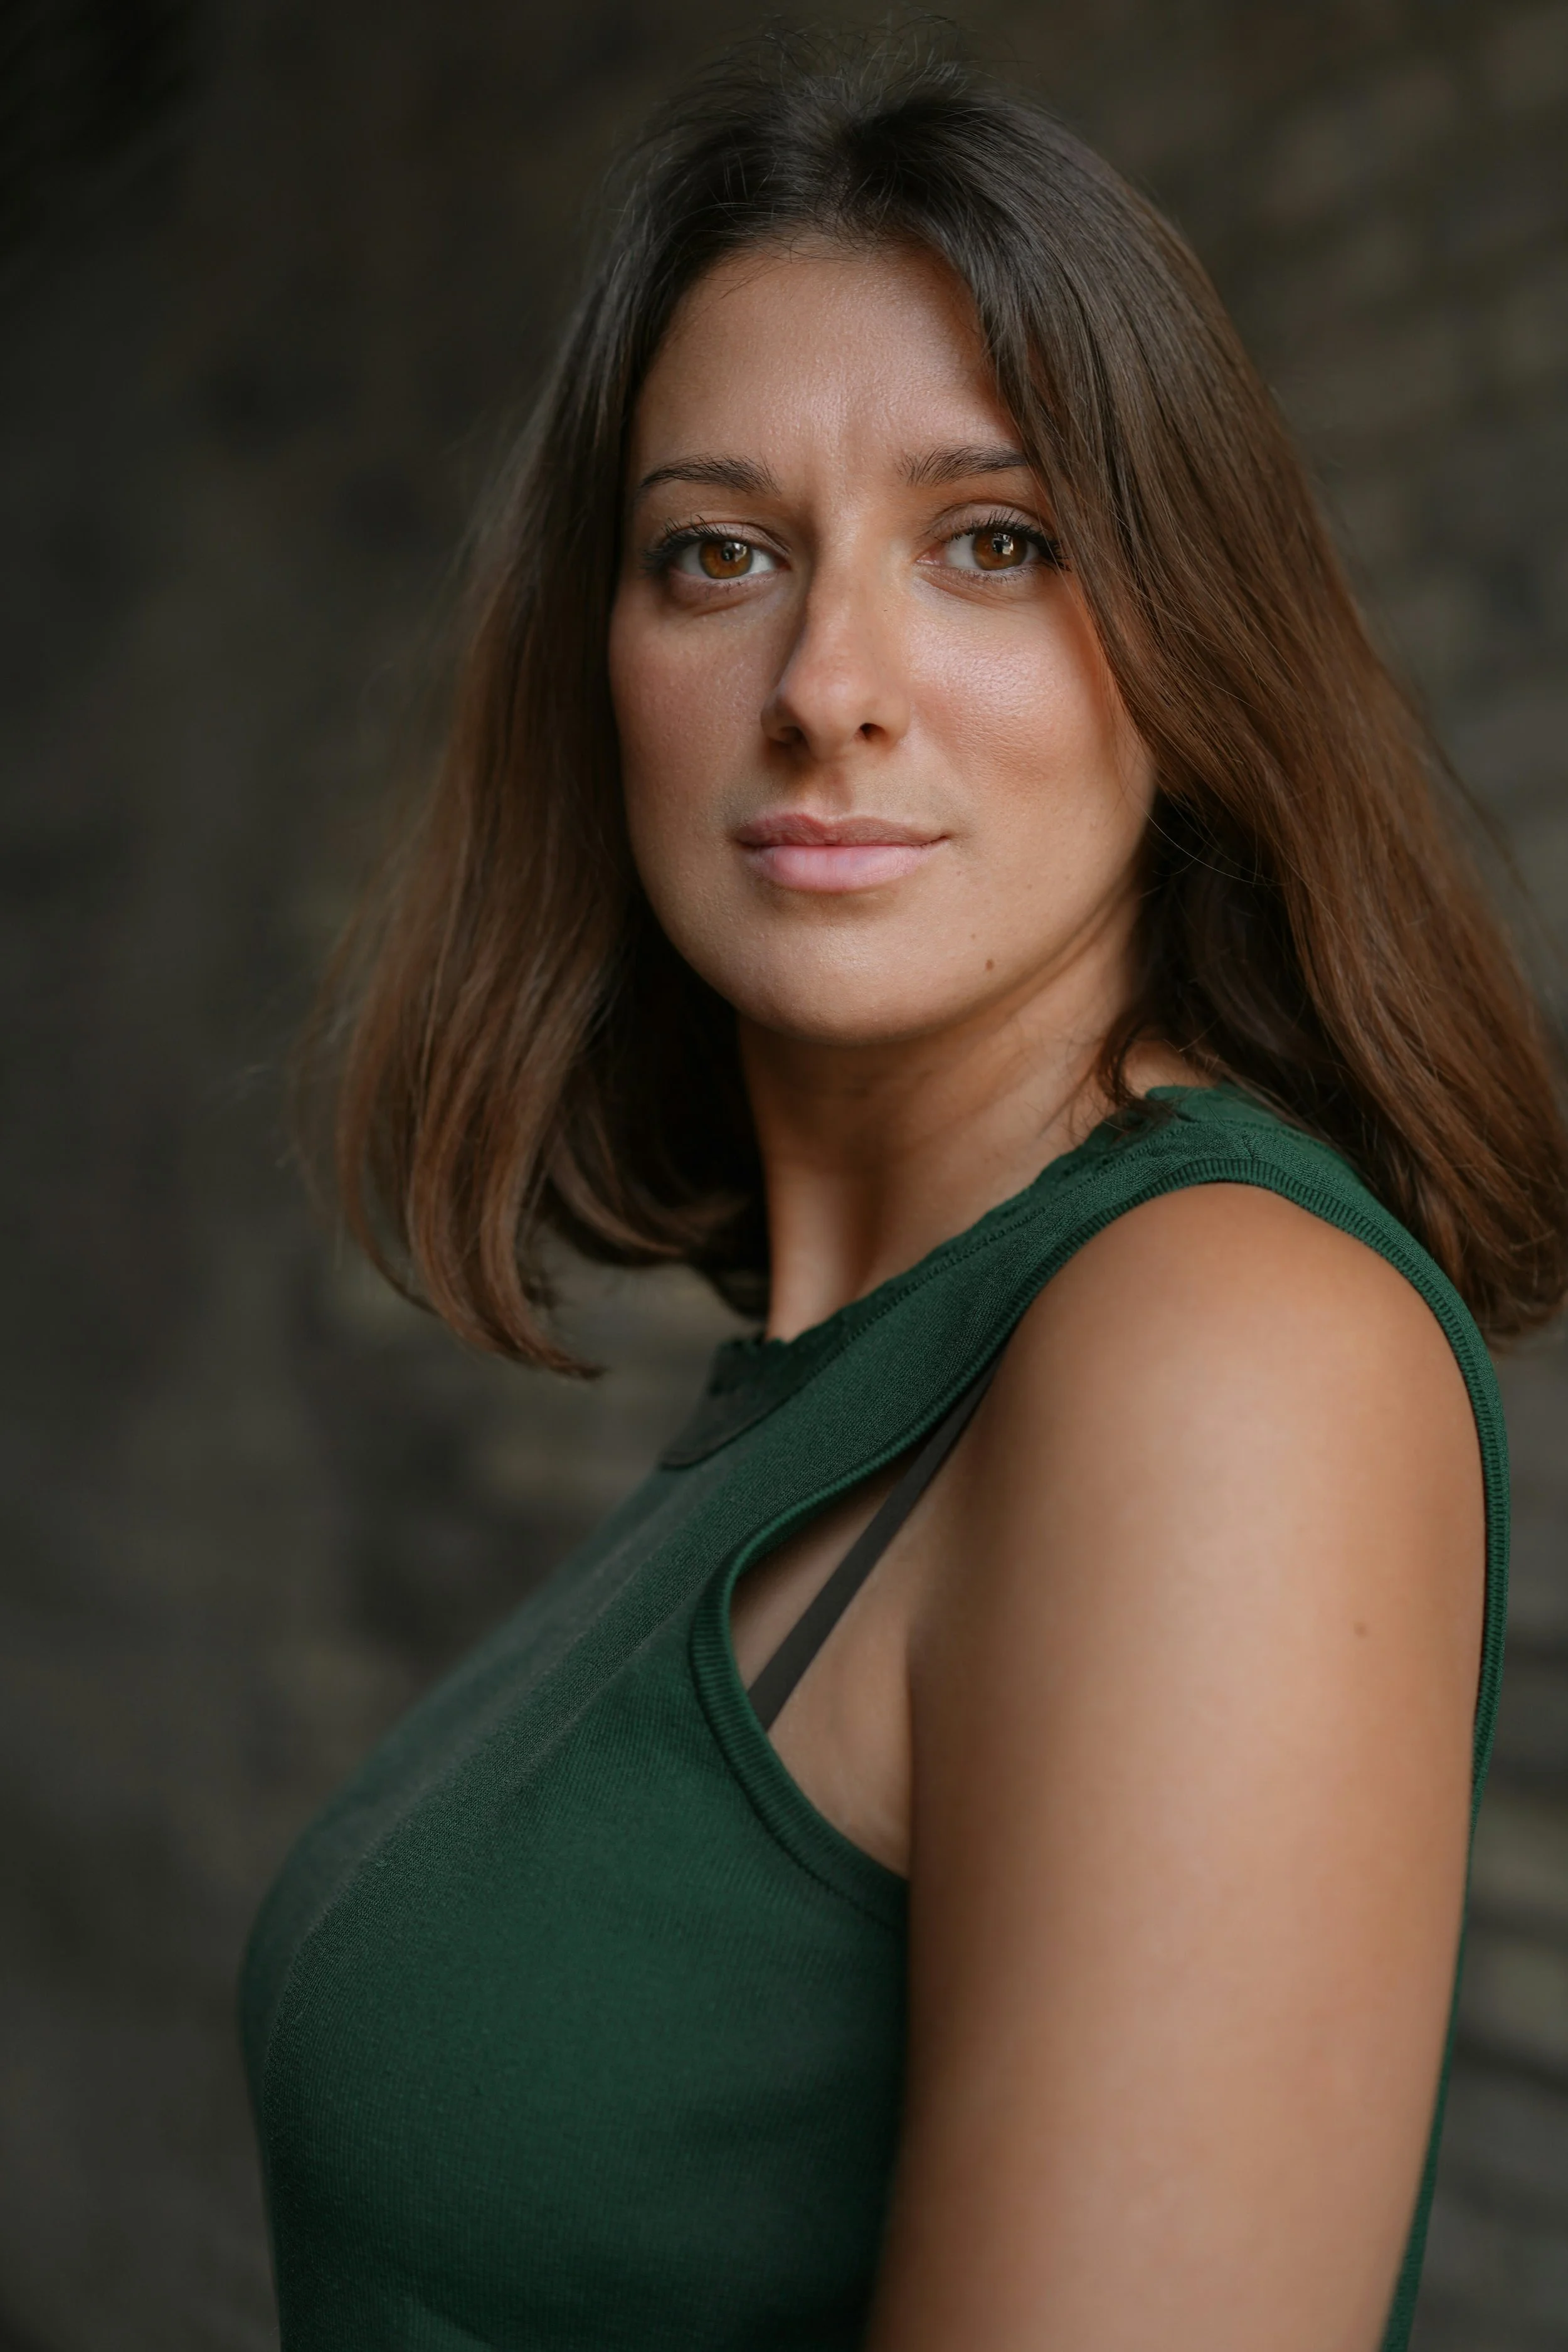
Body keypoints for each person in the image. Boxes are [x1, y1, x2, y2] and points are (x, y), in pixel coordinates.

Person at [241, 38, 1568, 2352]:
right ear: (604, 661)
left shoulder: (1222, 1350)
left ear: (1183, 637)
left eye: (993, 541)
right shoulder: (833, 1390)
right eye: (718, 553)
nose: (826, 684)